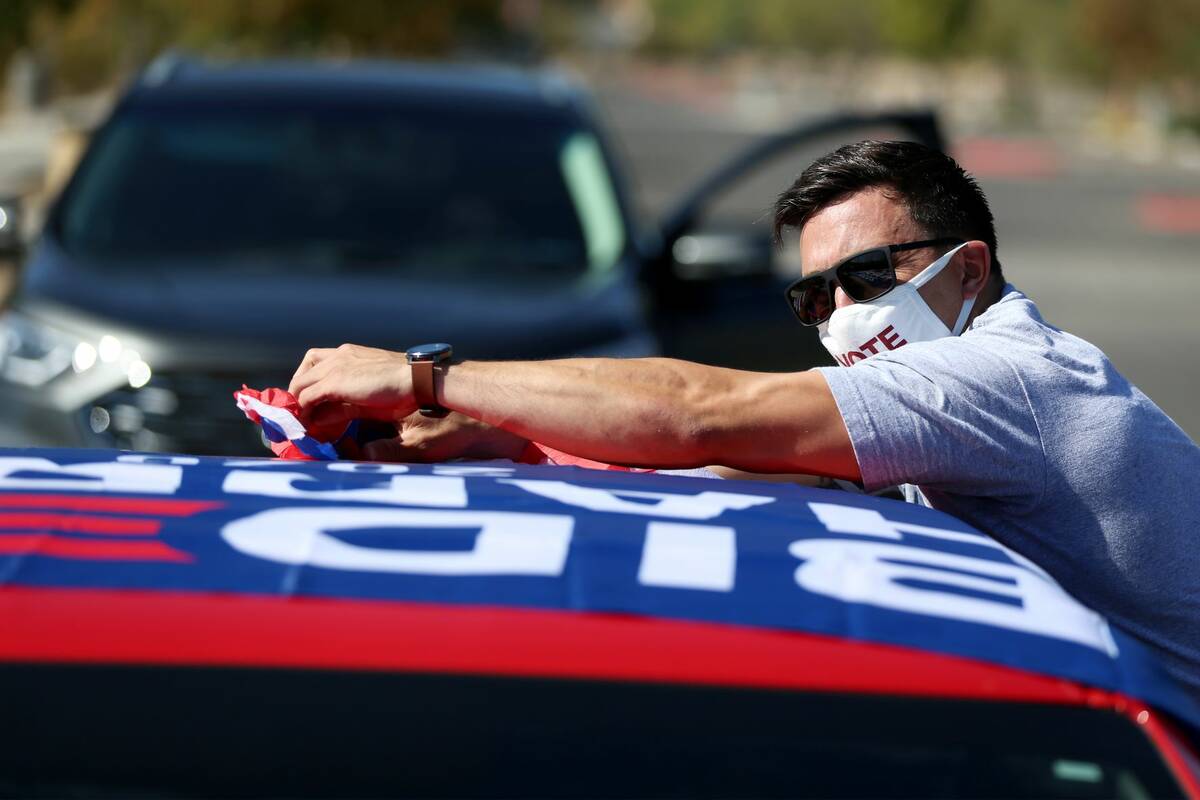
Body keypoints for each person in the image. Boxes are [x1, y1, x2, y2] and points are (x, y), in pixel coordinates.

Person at [288, 140, 1200, 693]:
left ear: (968, 270)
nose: (843, 310)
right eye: (816, 296)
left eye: (872, 275)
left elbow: (702, 415)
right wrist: (511, 442)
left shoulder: (1004, 378)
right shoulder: (963, 402)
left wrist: (428, 381)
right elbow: (747, 474)